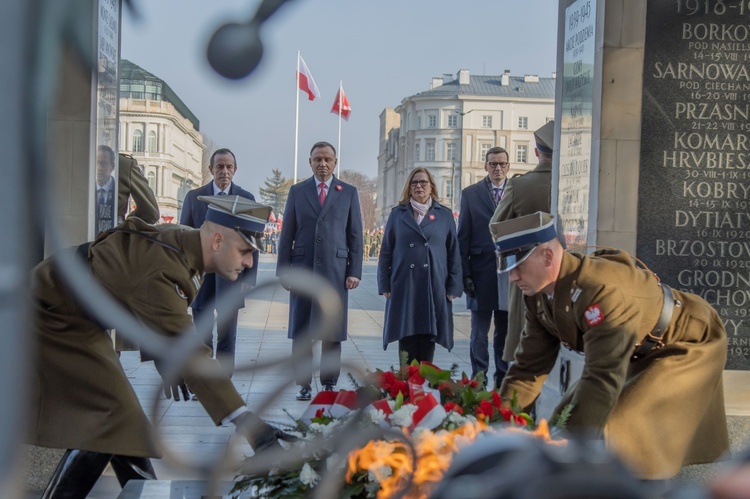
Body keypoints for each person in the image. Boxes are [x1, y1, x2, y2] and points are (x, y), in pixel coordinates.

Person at [31, 195, 287, 498]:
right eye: (245, 251)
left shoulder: (184, 244)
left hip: (73, 316)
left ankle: (145, 492)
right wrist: (250, 425)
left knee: (122, 422)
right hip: (51, 316)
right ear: (218, 241)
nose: (249, 262)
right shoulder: (164, 268)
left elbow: (144, 299)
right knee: (112, 415)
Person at [492, 212, 729, 479]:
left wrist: (565, 455)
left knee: (622, 430)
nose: (512, 277)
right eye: (507, 267)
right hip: (637, 346)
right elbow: (527, 370)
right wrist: (492, 426)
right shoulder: (537, 297)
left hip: (684, 340)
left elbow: (602, 377)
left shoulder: (601, 291)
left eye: (517, 265)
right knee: (563, 417)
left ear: (547, 257)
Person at [276, 141, 363, 401]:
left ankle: (328, 383)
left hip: (335, 272)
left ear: (335, 163)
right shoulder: (297, 191)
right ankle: (303, 383)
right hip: (303, 270)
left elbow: (355, 234)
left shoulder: (347, 192)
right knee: (302, 330)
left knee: (331, 331)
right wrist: (284, 270)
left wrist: (354, 270)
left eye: (327, 159)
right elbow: (287, 232)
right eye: (317, 159)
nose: (322, 164)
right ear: (310, 162)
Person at [180, 148, 258, 377]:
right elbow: (183, 238)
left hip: (232, 277)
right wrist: (183, 276)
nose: (224, 171)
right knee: (202, 333)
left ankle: (223, 380)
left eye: (229, 167)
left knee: (227, 334)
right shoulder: (194, 198)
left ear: (235, 170)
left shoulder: (246, 200)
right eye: (220, 166)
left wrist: (249, 280)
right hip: (200, 277)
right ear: (210, 169)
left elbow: (253, 242)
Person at [377, 168, 462, 364]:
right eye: (414, 183)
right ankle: (406, 385)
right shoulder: (398, 214)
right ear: (409, 188)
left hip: (433, 284)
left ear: (431, 186)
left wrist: (454, 286)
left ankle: (423, 386)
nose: (419, 186)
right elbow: (386, 251)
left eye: (423, 182)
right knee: (405, 335)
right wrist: (385, 285)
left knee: (428, 334)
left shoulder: (445, 215)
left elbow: (454, 253)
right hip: (405, 284)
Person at [490, 120, 554, 364]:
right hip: (567, 275)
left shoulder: (519, 185)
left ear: (536, 152)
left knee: (525, 348)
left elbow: (496, 228)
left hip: (529, 276)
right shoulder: (578, 183)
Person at [457, 146, 510, 388]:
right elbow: (463, 237)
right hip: (480, 273)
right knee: (479, 332)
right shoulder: (471, 194)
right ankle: (479, 378)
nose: (497, 168)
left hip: (510, 272)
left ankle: (502, 377)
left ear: (508, 167)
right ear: (485, 166)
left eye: (501, 164)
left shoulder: (516, 192)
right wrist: (464, 275)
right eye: (493, 164)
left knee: (504, 330)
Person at [117, 152, 159, 225]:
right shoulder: (123, 163)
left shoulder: (123, 164)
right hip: (111, 233)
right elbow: (150, 213)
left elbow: (150, 213)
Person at [95, 145, 117, 234]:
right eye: (96, 163)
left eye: (103, 163)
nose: (99, 168)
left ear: (112, 167)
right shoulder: (86, 190)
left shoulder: (118, 189)